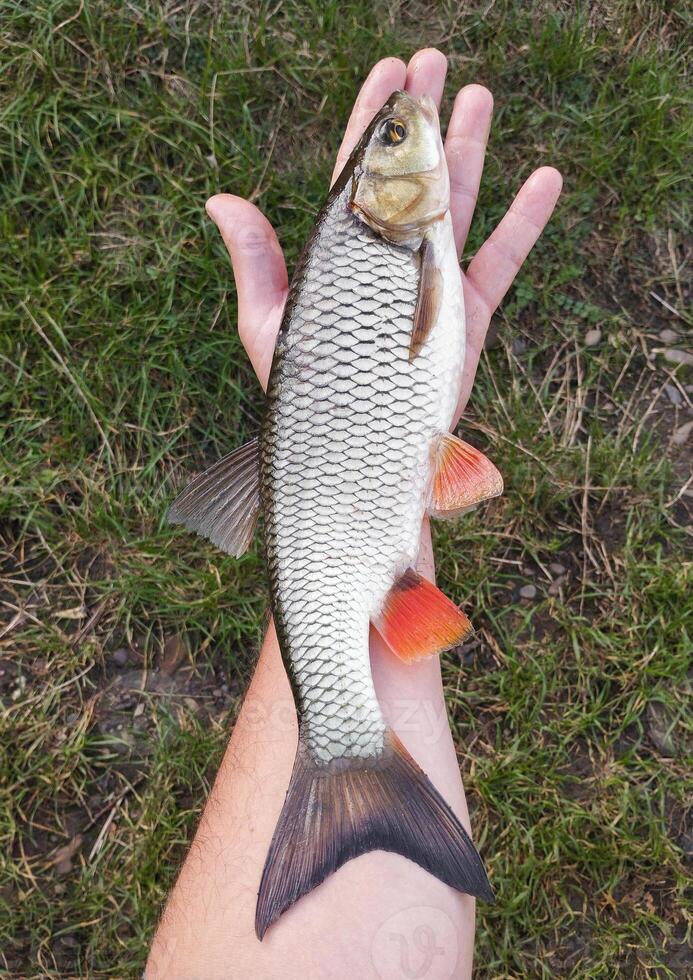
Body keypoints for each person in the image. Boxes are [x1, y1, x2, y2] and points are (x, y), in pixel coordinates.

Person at [146, 48, 562, 980]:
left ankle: (344, 771)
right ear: (381, 185)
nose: (406, 131)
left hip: (349, 476)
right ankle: (345, 764)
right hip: (356, 474)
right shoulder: (408, 243)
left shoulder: (402, 240)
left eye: (396, 137)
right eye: (394, 135)